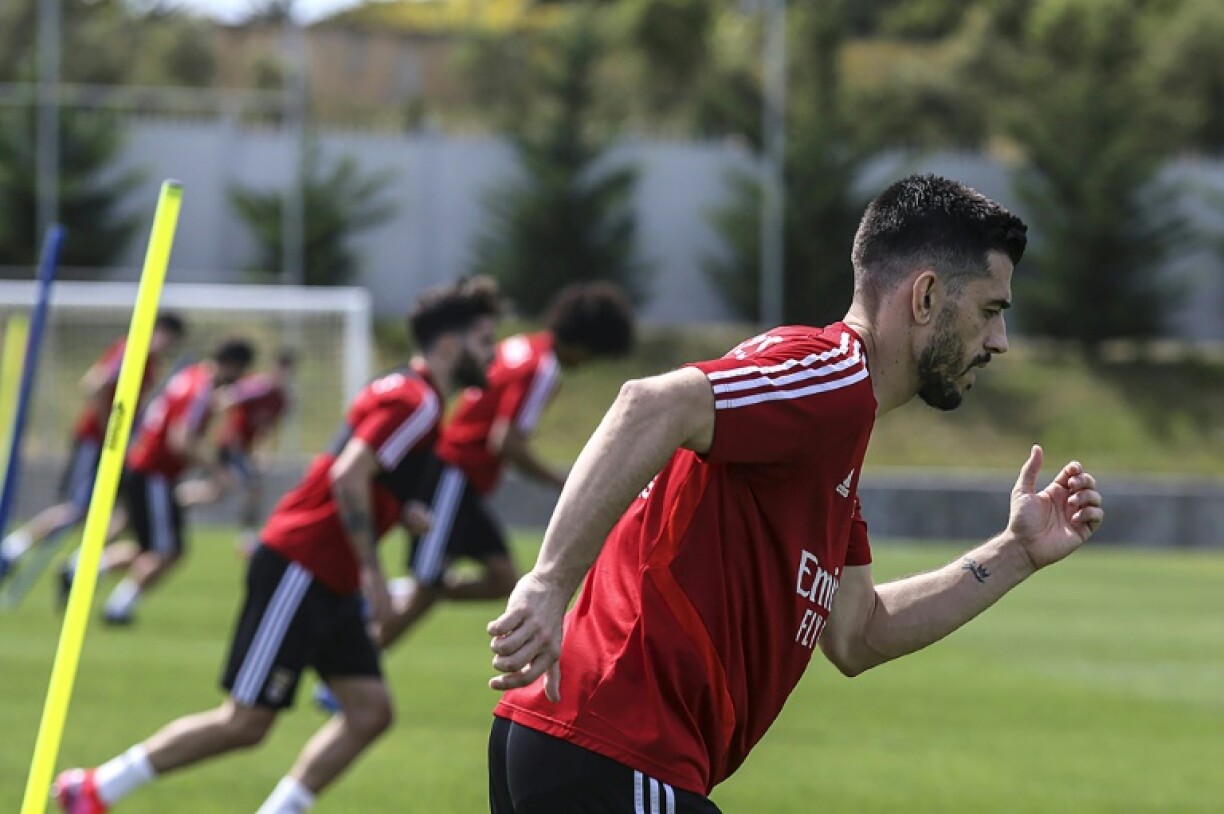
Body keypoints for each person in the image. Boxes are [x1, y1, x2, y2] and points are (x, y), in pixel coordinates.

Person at [485, 174, 1106, 812]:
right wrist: (549, 582)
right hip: (614, 743)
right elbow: (650, 403)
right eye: (990, 311)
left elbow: (857, 633)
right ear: (925, 297)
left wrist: (1017, 552)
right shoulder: (831, 379)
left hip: (586, 744)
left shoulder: (835, 436)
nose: (998, 341)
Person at [52, 277, 502, 814]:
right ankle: (95, 790)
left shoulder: (404, 391)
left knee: (369, 711)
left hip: (326, 578)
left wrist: (401, 510)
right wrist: (374, 573)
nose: (493, 355)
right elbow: (348, 475)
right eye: (484, 342)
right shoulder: (418, 402)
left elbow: (360, 472)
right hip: (303, 565)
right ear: (449, 346)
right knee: (244, 722)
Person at [380, 282, 634, 648]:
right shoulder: (544, 367)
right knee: (428, 589)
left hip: (462, 482)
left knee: (502, 578)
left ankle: (395, 594)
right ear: (587, 343)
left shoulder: (523, 346)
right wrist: (563, 481)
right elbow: (506, 441)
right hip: (453, 475)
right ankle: (363, 659)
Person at [0, 314, 186, 592]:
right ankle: (12, 548)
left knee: (108, 511)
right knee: (79, 506)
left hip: (114, 444)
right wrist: (107, 427)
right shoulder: (130, 350)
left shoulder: (150, 363)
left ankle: (75, 563)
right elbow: (94, 384)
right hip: (95, 440)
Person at [83, 337, 257, 626]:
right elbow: (181, 439)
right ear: (232, 365)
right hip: (154, 473)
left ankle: (85, 572)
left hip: (151, 470)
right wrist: (217, 469)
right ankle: (113, 602)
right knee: (166, 551)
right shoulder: (199, 388)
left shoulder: (189, 377)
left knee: (150, 547)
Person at [177, 347, 298, 556]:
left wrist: (262, 452)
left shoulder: (281, 400)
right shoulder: (257, 387)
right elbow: (224, 400)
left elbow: (265, 428)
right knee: (253, 488)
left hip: (244, 450)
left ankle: (177, 499)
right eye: (280, 369)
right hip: (230, 446)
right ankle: (248, 538)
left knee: (217, 492)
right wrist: (226, 432)